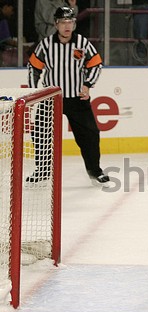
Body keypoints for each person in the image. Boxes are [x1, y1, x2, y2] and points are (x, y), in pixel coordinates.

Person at [27, 7, 110, 187]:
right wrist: (35, 92)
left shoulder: (82, 43)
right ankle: (42, 171)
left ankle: (95, 171)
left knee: (90, 135)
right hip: (50, 98)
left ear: (74, 24)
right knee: (40, 134)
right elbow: (33, 67)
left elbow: (96, 64)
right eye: (63, 22)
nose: (67, 26)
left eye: (70, 22)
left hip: (77, 99)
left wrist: (88, 84)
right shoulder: (46, 44)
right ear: (56, 24)